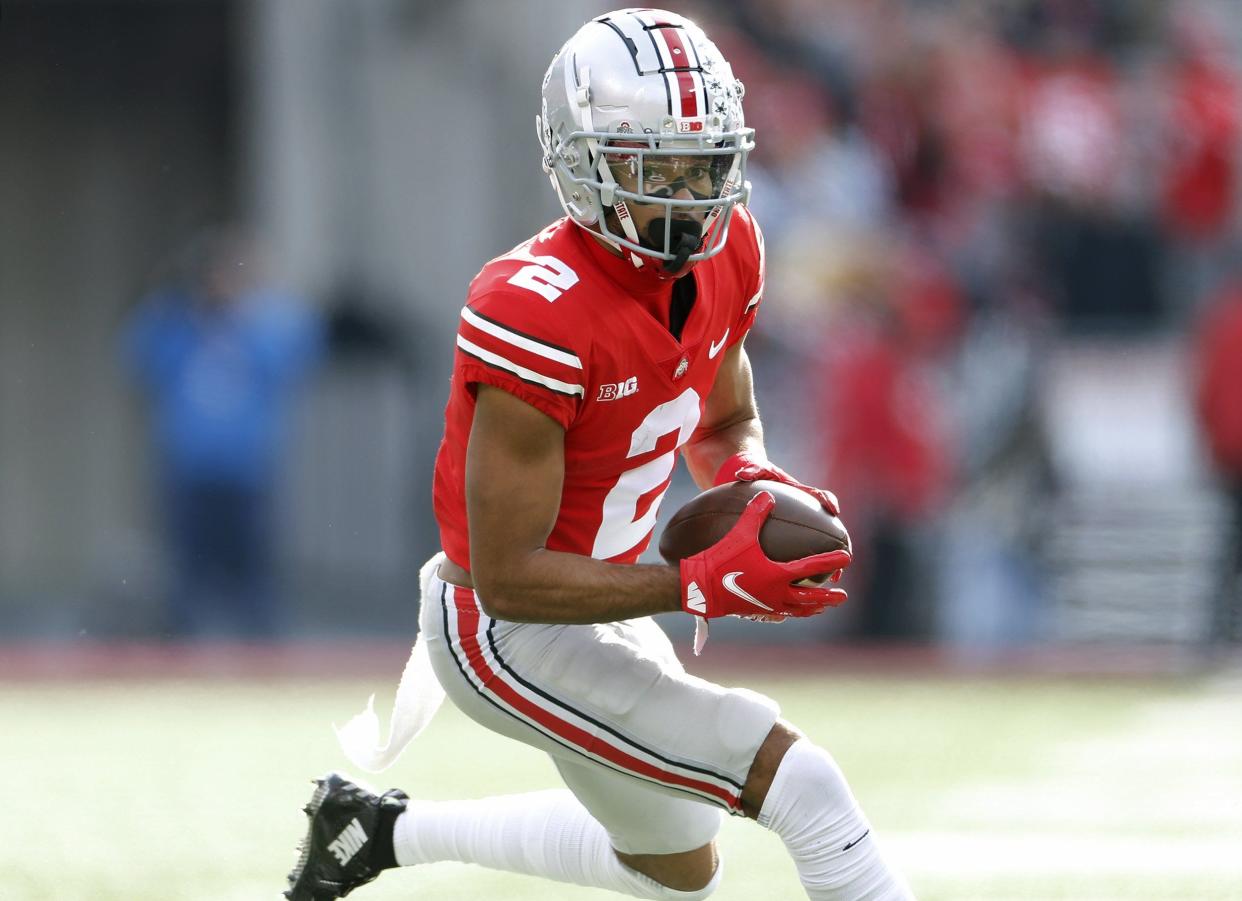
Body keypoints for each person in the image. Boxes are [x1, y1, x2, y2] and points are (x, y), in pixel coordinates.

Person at [286, 10, 912, 900]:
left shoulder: (730, 246)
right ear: (584, 164)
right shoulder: (532, 310)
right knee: (804, 785)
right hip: (502, 631)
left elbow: (723, 414)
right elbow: (504, 577)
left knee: (677, 870)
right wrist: (694, 580)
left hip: (601, 603)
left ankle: (378, 831)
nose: (690, 191)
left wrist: (750, 481)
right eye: (657, 168)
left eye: (704, 162)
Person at [122, 227, 323, 639]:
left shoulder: (265, 323)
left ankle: (263, 654)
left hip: (247, 471)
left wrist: (245, 315)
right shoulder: (177, 324)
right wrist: (175, 304)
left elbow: (298, 353)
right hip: (187, 470)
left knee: (254, 575)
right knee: (185, 576)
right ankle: (182, 651)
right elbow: (137, 357)